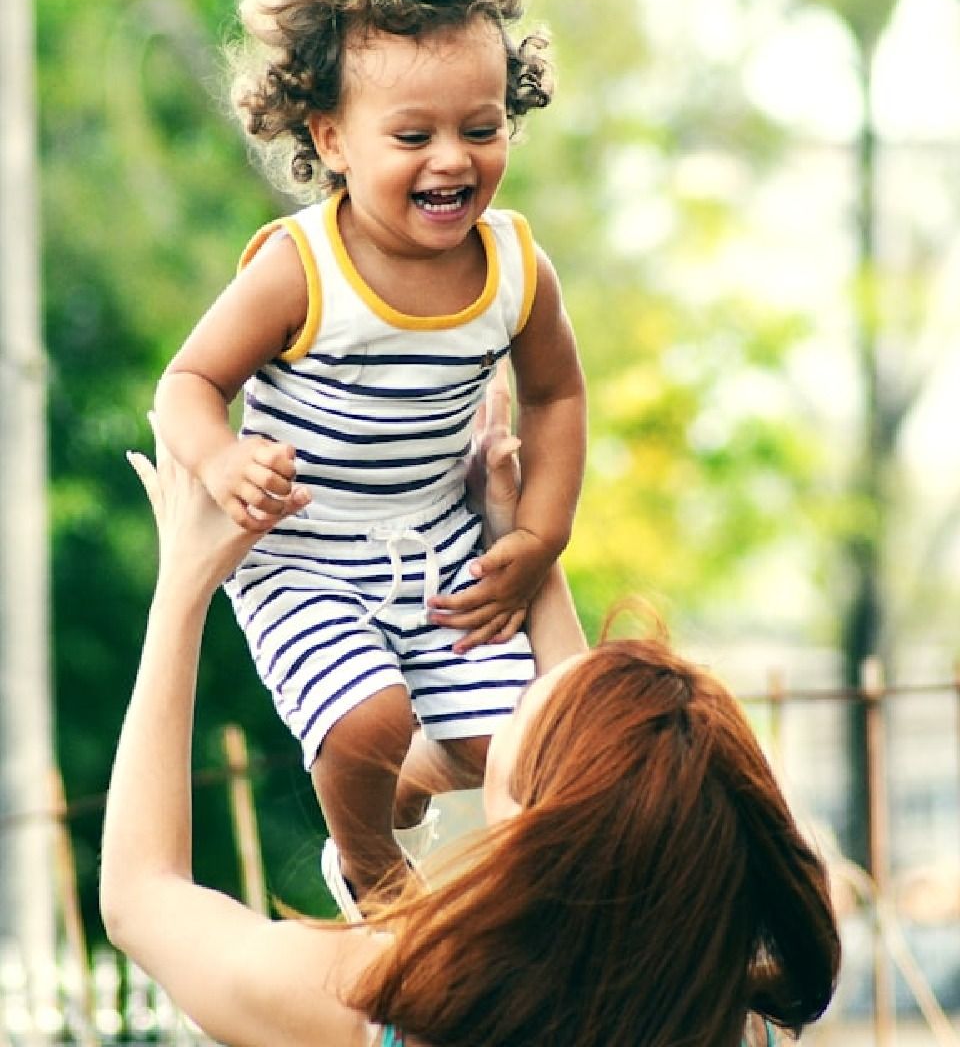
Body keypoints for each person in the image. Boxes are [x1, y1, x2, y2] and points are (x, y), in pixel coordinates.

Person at [102, 417, 840, 1047]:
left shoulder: (379, 1003)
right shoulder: (726, 1017)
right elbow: (606, 792)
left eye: (523, 707)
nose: (515, 691)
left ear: (529, 828)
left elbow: (142, 898)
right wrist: (517, 542)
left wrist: (184, 584)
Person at [152, 0, 587, 910]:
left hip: (436, 541)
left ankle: (410, 783)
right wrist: (222, 457)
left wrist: (537, 537)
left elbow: (560, 398)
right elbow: (186, 382)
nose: (453, 159)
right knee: (365, 722)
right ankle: (373, 874)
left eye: (481, 128)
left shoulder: (517, 268)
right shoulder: (301, 271)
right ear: (331, 139)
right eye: (413, 136)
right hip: (305, 551)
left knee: (509, 747)